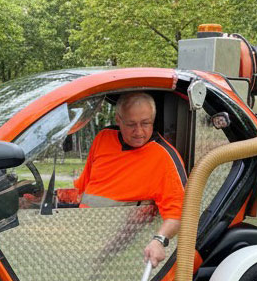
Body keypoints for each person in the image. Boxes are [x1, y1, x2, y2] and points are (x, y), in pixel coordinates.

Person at [65, 92, 186, 267]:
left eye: (145, 123)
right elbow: (83, 189)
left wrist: (159, 240)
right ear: (118, 119)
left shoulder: (165, 158)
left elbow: (178, 215)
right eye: (131, 124)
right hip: (82, 239)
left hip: (121, 251)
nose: (139, 132)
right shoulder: (103, 138)